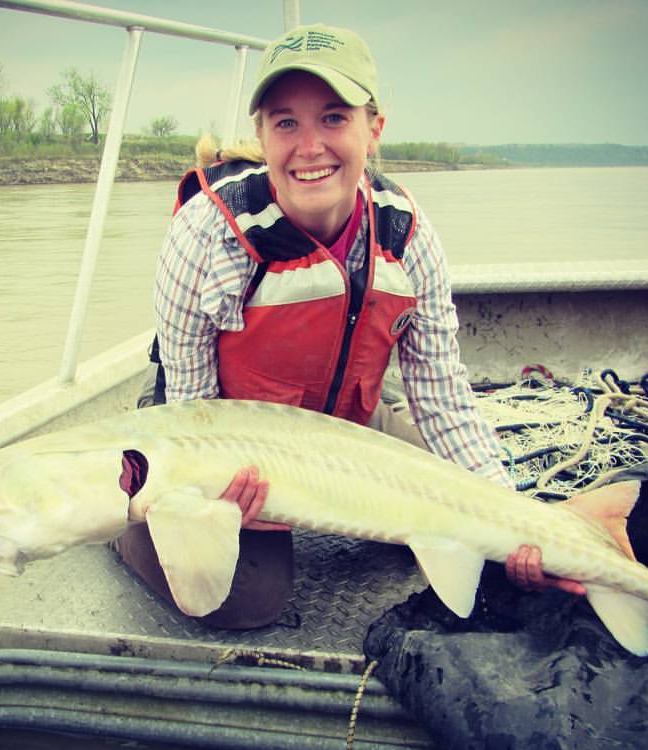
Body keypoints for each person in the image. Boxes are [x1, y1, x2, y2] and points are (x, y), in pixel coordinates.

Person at [116, 23, 579, 628]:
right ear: (262, 132)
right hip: (218, 438)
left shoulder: (407, 235)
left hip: (344, 429)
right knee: (243, 599)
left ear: (374, 128)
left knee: (463, 519)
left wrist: (516, 521)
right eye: (286, 123)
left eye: (333, 118)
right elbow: (191, 413)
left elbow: (443, 399)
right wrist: (216, 499)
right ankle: (122, 522)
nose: (309, 147)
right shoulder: (205, 234)